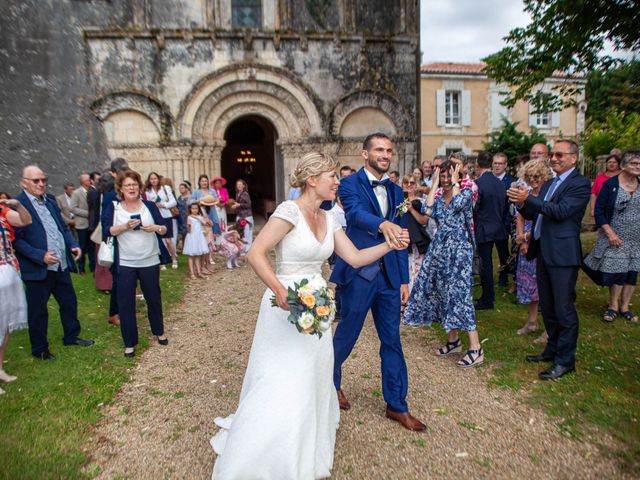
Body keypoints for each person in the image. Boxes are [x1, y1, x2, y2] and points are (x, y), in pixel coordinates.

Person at [210, 151, 409, 479]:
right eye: (332, 176)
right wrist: (278, 289)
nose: (338, 182)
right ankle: (270, 445)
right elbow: (256, 253)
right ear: (311, 179)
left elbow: (356, 258)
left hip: (317, 304)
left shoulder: (330, 217)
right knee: (282, 374)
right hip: (284, 304)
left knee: (311, 372)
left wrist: (391, 245)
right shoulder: (289, 211)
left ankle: (303, 439)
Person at [331, 133, 426, 432]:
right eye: (379, 150)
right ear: (364, 153)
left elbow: (400, 238)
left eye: (388, 150)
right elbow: (357, 215)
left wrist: (402, 280)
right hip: (359, 273)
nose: (385, 155)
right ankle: (329, 386)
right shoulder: (348, 184)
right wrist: (382, 224)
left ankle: (396, 405)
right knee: (346, 335)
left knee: (392, 341)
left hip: (388, 278)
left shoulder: (397, 191)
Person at [507, 139, 590, 380]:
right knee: (550, 307)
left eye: (559, 155)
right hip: (543, 251)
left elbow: (561, 212)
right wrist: (520, 202)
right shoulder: (550, 182)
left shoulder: (579, 184)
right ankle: (552, 349)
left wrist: (529, 199)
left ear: (573, 158)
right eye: (552, 155)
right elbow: (535, 212)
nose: (553, 159)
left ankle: (565, 360)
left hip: (563, 255)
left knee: (563, 309)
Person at [404, 161, 484, 368]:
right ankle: (453, 341)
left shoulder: (466, 193)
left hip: (459, 251)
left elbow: (458, 205)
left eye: (450, 176)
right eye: (444, 176)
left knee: (460, 295)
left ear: (457, 176)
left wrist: (456, 183)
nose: (447, 180)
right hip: (440, 249)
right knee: (442, 292)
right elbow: (428, 211)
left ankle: (476, 348)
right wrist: (435, 184)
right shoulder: (439, 197)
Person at [13, 166, 95, 360]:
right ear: (24, 182)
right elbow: (17, 240)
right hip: (38, 268)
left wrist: (73, 244)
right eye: (36, 181)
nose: (41, 184)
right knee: (38, 311)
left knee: (69, 302)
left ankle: (71, 336)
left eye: (43, 179)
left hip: (60, 264)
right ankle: (40, 349)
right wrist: (40, 256)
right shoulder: (19, 204)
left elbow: (63, 228)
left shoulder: (49, 200)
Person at [102, 170, 170, 357]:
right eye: (127, 185)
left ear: (140, 187)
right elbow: (107, 231)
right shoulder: (114, 208)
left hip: (149, 260)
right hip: (125, 263)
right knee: (125, 303)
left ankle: (159, 331)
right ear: (121, 189)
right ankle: (129, 343)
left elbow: (165, 228)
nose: (131, 188)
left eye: (134, 185)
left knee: (153, 298)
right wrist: (125, 227)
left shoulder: (149, 206)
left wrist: (155, 228)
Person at [584, 150, 640, 323]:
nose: (638, 167)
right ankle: (613, 305)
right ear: (623, 166)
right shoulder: (610, 185)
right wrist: (610, 233)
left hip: (636, 238)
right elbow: (599, 212)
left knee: (631, 272)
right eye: (634, 163)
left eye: (639, 164)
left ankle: (625, 307)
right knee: (617, 271)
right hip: (615, 236)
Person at [513, 159, 552, 340]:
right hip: (527, 242)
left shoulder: (549, 194)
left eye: (536, 176)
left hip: (544, 243)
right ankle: (532, 321)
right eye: (529, 177)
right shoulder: (525, 193)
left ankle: (549, 328)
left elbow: (548, 221)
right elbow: (520, 216)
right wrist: (521, 240)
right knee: (529, 284)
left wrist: (527, 237)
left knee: (545, 287)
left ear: (544, 176)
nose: (533, 180)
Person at [0, 197, 32, 388]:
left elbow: (25, 221)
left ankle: (0, 369)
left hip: (8, 272)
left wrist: (18, 205)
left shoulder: (2, 212)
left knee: (5, 324)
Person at [473, 151, 507, 310]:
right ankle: (490, 293)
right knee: (489, 262)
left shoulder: (478, 184)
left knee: (485, 264)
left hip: (483, 228)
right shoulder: (500, 183)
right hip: (498, 225)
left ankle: (488, 298)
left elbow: (475, 208)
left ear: (477, 165)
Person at [492, 152, 517, 288]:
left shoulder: (511, 181)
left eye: (500, 163)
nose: (497, 166)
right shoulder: (487, 179)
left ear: (505, 165)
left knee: (504, 252)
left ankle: (504, 277)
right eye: (495, 163)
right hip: (490, 223)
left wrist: (506, 223)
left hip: (504, 222)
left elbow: (512, 204)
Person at [400, 174, 429, 291]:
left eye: (412, 183)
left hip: (417, 243)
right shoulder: (397, 202)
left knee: (417, 273)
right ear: (402, 184)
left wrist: (411, 208)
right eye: (406, 182)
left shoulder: (420, 201)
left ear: (415, 185)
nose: (409, 185)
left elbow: (424, 220)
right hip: (402, 242)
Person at [144, 172, 178, 270]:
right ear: (149, 180)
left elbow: (173, 202)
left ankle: (174, 258)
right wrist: (152, 203)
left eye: (155, 178)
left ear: (158, 179)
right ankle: (161, 261)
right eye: (151, 179)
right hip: (155, 217)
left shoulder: (165, 188)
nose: (153, 180)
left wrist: (163, 204)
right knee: (158, 240)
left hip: (166, 215)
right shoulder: (148, 191)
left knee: (168, 240)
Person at [70, 173, 94, 274]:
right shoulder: (76, 193)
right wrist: (88, 214)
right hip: (82, 224)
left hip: (91, 224)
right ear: (84, 182)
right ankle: (81, 268)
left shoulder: (93, 191)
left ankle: (93, 267)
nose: (91, 181)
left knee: (92, 246)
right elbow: (73, 208)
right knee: (82, 247)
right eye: (89, 180)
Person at [183, 201, 210, 279]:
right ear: (190, 209)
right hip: (192, 237)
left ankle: (199, 272)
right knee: (191, 256)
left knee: (198, 255)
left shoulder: (199, 216)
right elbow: (189, 229)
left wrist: (197, 217)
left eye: (196, 208)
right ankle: (192, 273)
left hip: (199, 237)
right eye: (193, 208)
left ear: (198, 209)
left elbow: (204, 222)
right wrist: (192, 220)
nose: (194, 210)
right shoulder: (189, 217)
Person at [229, 179, 253, 249]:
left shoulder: (245, 194)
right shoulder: (237, 193)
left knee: (247, 233)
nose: (238, 186)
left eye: (240, 184)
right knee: (240, 233)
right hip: (240, 216)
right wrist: (235, 206)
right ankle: (242, 249)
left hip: (246, 217)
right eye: (237, 184)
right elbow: (238, 204)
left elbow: (248, 205)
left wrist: (238, 205)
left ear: (244, 186)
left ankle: (248, 250)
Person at [176, 180, 192, 251]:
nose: (180, 190)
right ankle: (176, 247)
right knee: (179, 233)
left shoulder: (190, 197)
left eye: (182, 188)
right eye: (179, 188)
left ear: (186, 189)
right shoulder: (179, 197)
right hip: (179, 217)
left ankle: (184, 247)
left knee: (186, 232)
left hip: (186, 216)